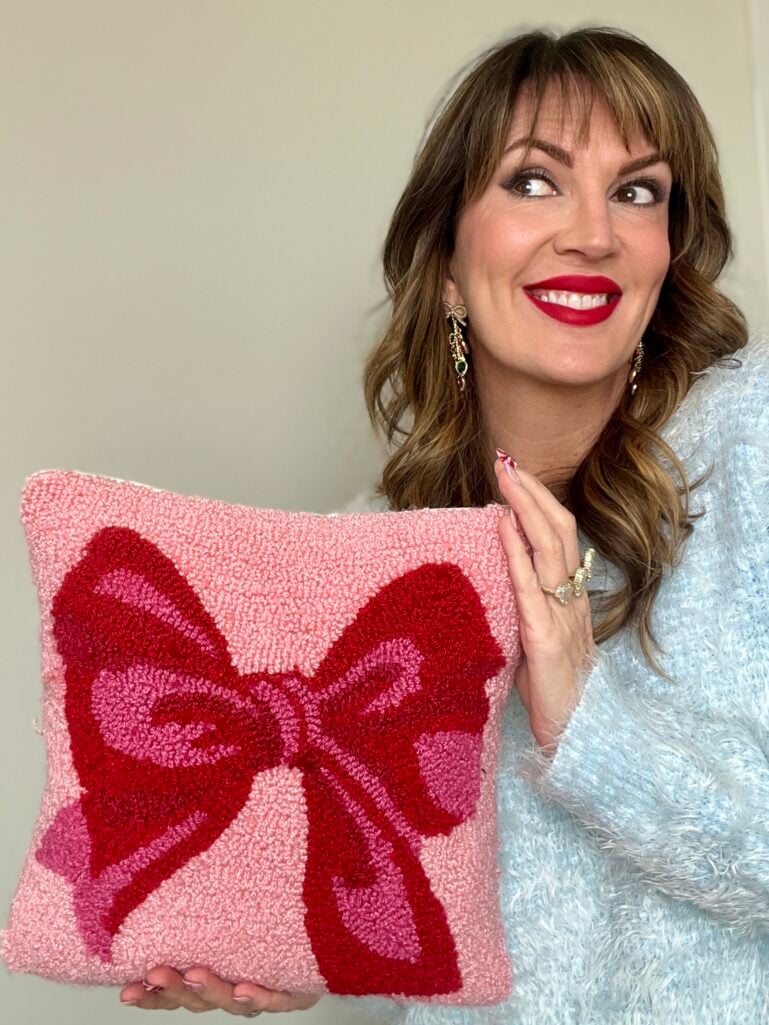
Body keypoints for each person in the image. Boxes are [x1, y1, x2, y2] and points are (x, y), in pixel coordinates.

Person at [118, 25, 769, 1024]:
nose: (591, 230)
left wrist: (581, 721)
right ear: (450, 269)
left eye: (638, 191)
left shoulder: (751, 441)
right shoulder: (377, 548)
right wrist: (304, 936)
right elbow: (446, 924)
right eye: (533, 181)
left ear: (665, 261)